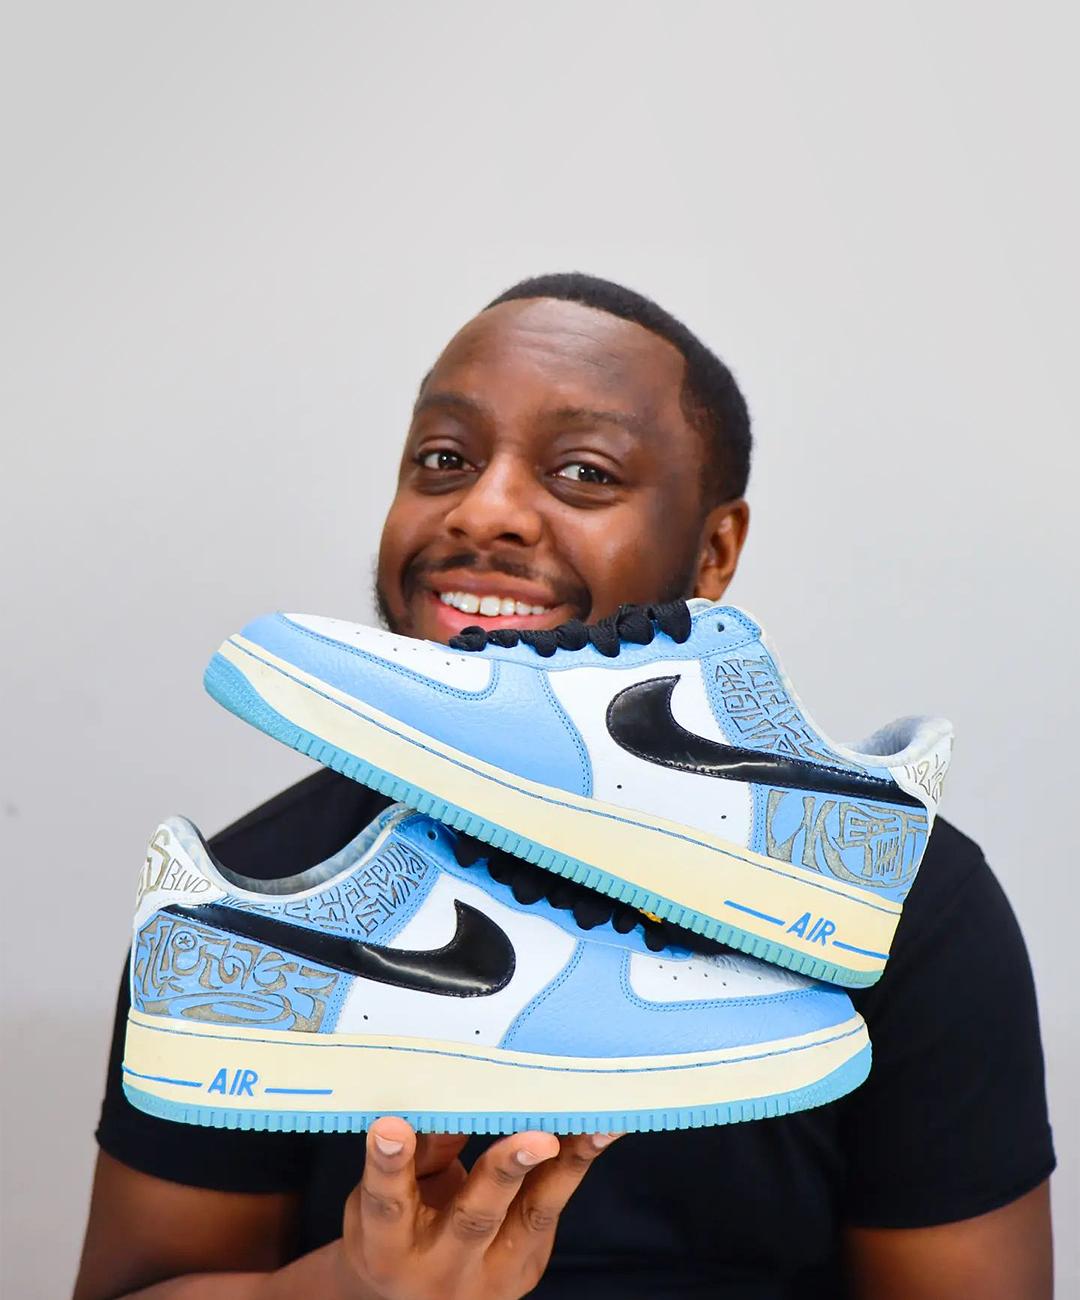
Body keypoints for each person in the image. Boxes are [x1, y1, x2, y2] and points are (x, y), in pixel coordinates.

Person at [74, 274, 1055, 1300]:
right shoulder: (254, 897)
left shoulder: (905, 904)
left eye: (584, 473)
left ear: (714, 551)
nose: (485, 509)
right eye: (444, 459)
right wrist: (352, 1290)